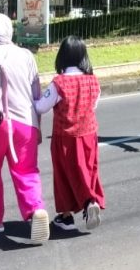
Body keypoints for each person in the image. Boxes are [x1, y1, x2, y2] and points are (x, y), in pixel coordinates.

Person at [0, 13, 50, 243]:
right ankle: (36, 209)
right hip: (25, 123)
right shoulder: (26, 56)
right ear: (10, 31)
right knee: (26, 170)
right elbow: (36, 92)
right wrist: (38, 126)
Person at [34, 36, 104, 231]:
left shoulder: (59, 83)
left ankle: (66, 217)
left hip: (65, 137)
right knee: (88, 171)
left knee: (64, 175)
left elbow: (41, 107)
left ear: (62, 56)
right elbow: (94, 105)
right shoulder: (93, 81)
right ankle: (91, 200)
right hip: (89, 134)